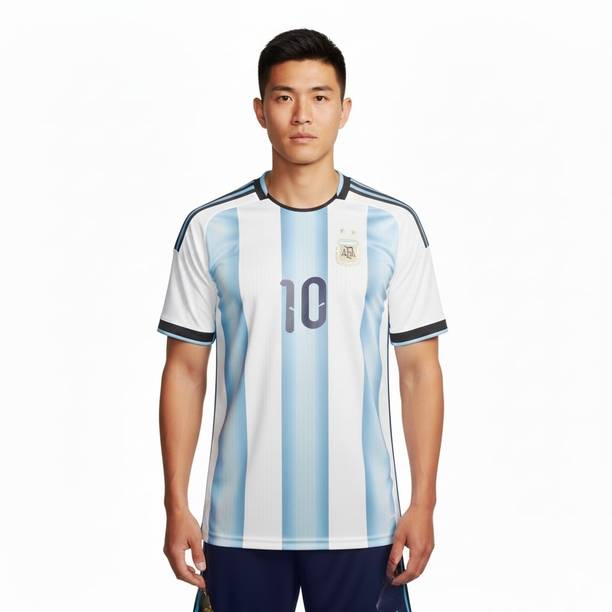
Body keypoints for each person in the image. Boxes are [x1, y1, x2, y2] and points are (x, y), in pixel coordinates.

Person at [157, 28, 448, 612]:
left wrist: (423, 503)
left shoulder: (392, 226)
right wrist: (175, 504)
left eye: (319, 97)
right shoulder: (212, 228)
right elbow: (185, 371)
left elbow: (419, 371)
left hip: (363, 524)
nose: (302, 115)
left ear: (344, 110)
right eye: (285, 97)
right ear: (260, 110)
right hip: (238, 524)